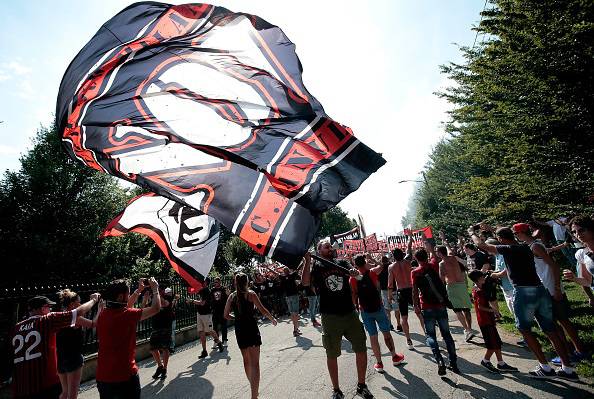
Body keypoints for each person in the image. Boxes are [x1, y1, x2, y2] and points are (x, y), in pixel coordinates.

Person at [468, 224, 578, 380]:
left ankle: (545, 367)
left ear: (501, 240)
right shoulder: (526, 247)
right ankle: (567, 369)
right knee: (551, 329)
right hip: (540, 289)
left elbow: (481, 245)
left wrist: (473, 233)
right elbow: (507, 244)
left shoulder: (508, 249)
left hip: (523, 291)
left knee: (524, 329)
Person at [302, 240, 374, 399]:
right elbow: (306, 283)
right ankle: (336, 390)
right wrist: (307, 260)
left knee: (361, 346)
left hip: (349, 313)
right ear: (319, 250)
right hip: (330, 316)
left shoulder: (341, 262)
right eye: (326, 246)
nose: (330, 248)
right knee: (332, 353)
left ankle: (361, 386)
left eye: (330, 246)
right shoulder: (316, 267)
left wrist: (354, 272)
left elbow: (354, 273)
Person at [512, 223, 587, 366]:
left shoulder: (535, 246)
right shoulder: (530, 246)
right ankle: (569, 352)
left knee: (563, 321)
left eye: (516, 234)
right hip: (545, 289)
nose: (516, 236)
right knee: (555, 324)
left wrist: (557, 288)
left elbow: (554, 266)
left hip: (551, 289)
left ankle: (578, 350)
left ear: (522, 233)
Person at [10, 293, 99, 399]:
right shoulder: (47, 320)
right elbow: (78, 312)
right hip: (45, 384)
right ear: (43, 308)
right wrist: (94, 300)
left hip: (21, 387)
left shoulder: (16, 328)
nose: (50, 310)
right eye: (49, 307)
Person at [95, 278, 161, 398]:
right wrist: (155, 289)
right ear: (120, 297)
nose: (130, 295)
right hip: (125, 376)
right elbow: (155, 308)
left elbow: (127, 305)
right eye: (128, 293)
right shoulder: (127, 315)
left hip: (103, 377)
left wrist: (138, 291)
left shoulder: (103, 314)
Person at [224, 273, 277, 399]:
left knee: (246, 360)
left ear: (235, 282)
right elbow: (262, 309)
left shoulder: (232, 296)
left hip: (239, 329)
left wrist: (236, 318)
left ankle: (253, 387)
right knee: (255, 364)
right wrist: (272, 319)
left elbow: (225, 315)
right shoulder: (251, 294)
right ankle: (254, 394)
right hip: (251, 328)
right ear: (247, 282)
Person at [350, 254, 405, 373]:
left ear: (355, 264)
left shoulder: (352, 278)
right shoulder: (372, 272)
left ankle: (379, 363)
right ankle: (394, 356)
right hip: (378, 308)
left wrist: (356, 309)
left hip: (365, 310)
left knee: (373, 337)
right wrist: (372, 259)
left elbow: (354, 295)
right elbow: (384, 266)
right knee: (386, 334)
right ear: (364, 262)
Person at [411, 248, 459, 376]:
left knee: (431, 335)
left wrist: (416, 305)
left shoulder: (415, 272)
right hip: (440, 304)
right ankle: (453, 362)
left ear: (416, 259)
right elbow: (433, 253)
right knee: (447, 334)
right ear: (426, 256)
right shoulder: (433, 265)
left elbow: (415, 291)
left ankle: (439, 360)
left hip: (426, 306)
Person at [468, 270, 519, 374]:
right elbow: (480, 306)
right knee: (492, 345)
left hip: (488, 320)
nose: (484, 278)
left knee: (497, 343)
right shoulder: (478, 291)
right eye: (482, 277)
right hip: (485, 321)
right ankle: (485, 361)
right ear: (478, 279)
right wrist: (494, 310)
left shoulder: (480, 288)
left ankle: (501, 363)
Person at [56, 289, 103, 399]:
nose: (81, 304)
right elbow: (93, 324)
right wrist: (100, 309)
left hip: (61, 358)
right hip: (73, 358)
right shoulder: (75, 318)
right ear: (72, 304)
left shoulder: (60, 316)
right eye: (79, 302)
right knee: (72, 395)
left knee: (64, 393)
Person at [387, 248, 425, 349]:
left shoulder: (391, 267)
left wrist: (390, 296)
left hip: (401, 292)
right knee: (419, 313)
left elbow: (390, 283)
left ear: (393, 256)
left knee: (404, 317)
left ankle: (408, 340)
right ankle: (427, 333)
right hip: (411, 290)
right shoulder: (408, 263)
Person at [435, 245, 474, 342]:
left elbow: (441, 279)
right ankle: (469, 329)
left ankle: (467, 329)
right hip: (461, 285)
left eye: (437, 251)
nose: (436, 253)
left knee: (457, 310)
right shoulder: (453, 258)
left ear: (440, 253)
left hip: (452, 287)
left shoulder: (442, 263)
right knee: (466, 309)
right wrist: (444, 241)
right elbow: (450, 250)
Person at [188, 278, 224, 358]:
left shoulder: (207, 291)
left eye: (202, 281)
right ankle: (204, 351)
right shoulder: (201, 290)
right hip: (199, 314)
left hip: (206, 314)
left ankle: (219, 342)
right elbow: (194, 292)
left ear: (205, 282)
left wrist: (191, 301)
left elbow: (202, 303)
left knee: (210, 331)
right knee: (201, 331)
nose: (200, 282)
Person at [564, 216, 594, 304]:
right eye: (574, 232)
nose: (578, 234)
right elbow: (587, 281)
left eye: (581, 230)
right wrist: (574, 278)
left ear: (591, 229)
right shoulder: (581, 254)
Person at [147, 287, 174, 380]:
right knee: (153, 349)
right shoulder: (154, 299)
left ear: (162, 291)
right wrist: (146, 298)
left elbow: (164, 304)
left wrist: (156, 292)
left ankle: (165, 369)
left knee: (165, 348)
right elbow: (144, 308)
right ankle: (160, 366)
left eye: (160, 290)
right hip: (155, 327)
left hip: (166, 326)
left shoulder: (168, 298)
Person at [374, 255, 400, 332]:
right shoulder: (392, 267)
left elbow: (378, 283)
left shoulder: (379, 269)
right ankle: (399, 324)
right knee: (396, 309)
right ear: (388, 260)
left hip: (384, 291)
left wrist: (378, 293)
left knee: (387, 309)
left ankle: (390, 324)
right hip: (393, 290)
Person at [211, 277, 229, 346]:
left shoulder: (223, 289)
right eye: (214, 282)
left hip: (223, 310)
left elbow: (228, 297)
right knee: (215, 327)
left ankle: (225, 340)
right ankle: (216, 341)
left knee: (224, 326)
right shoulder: (213, 290)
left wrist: (228, 293)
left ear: (219, 282)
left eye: (216, 282)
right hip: (215, 311)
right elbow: (211, 299)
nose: (215, 283)